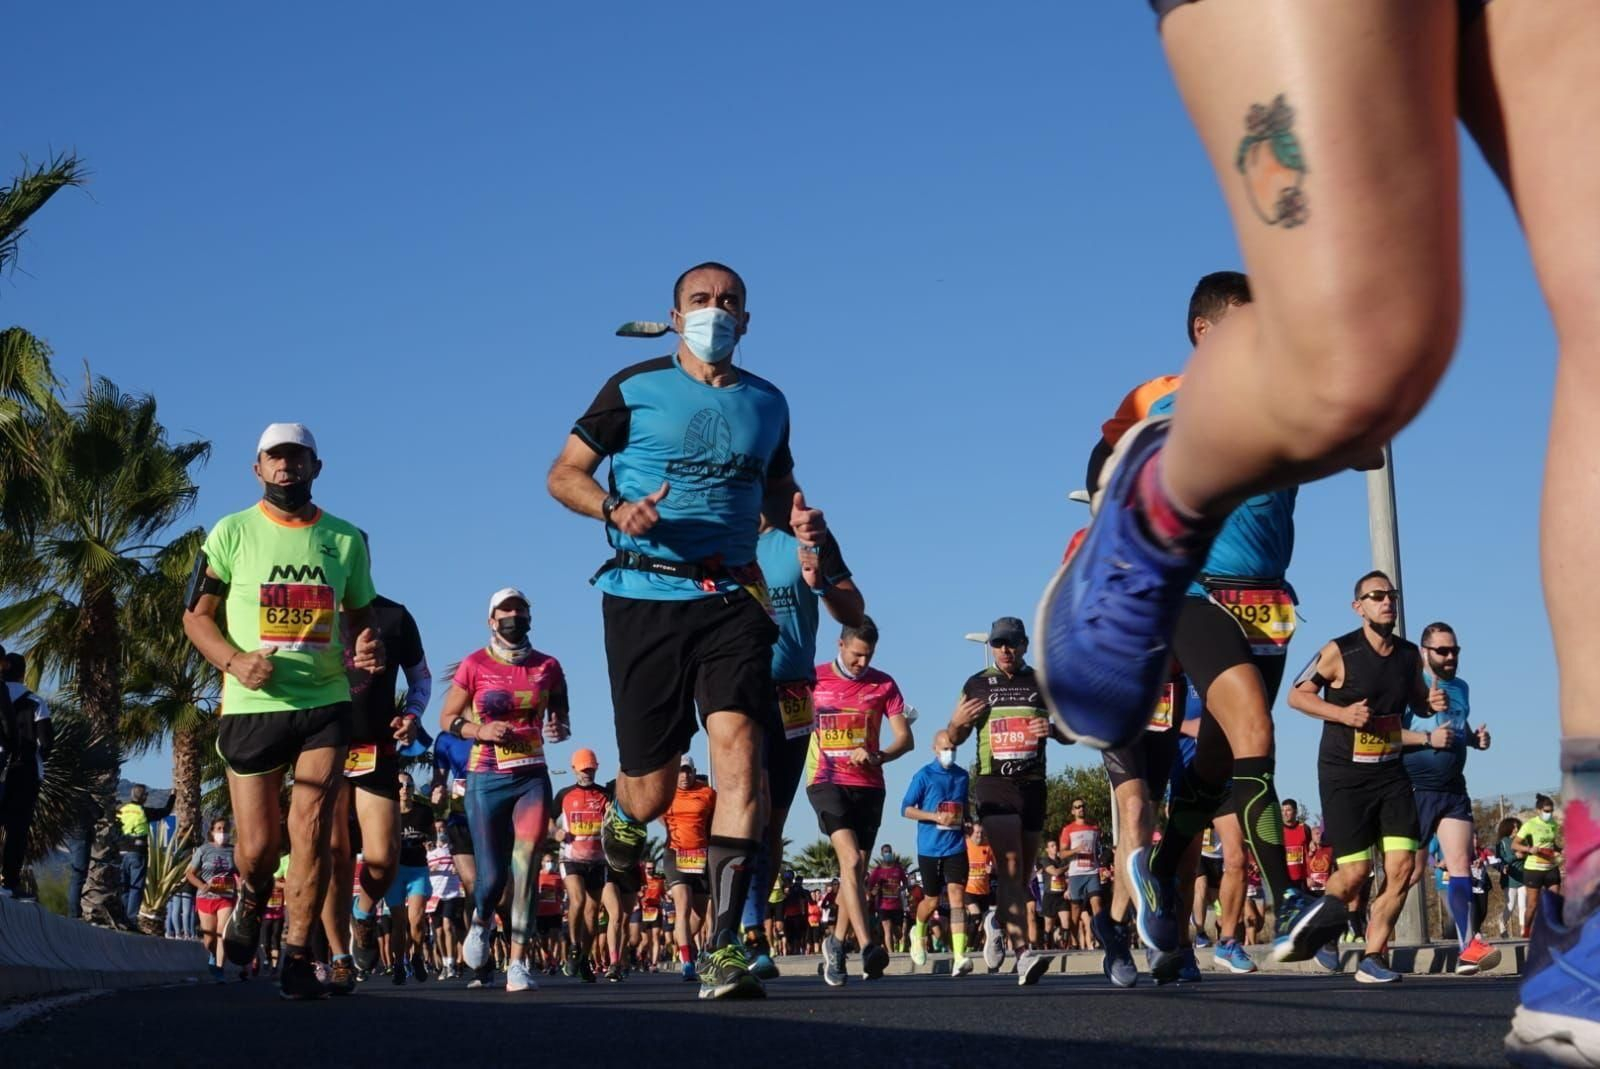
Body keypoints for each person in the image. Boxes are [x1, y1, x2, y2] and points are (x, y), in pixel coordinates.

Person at [1036, 4, 1600, 1058]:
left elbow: (1360, 459)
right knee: (1358, 354)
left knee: (1221, 764)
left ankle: (1593, 907)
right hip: (1192, 590)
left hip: (1265, 600)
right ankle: (1154, 496)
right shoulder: (1159, 388)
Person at [547, 260, 831, 1000]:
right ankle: (622, 818)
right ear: (675, 318)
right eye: (701, 300)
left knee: (740, 750)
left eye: (729, 301)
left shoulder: (768, 402)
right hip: (643, 594)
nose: (716, 310)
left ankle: (724, 944)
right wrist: (615, 509)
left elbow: (776, 485)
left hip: (731, 595)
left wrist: (799, 519)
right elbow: (564, 473)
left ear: (747, 319)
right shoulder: (634, 387)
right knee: (650, 791)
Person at [182, 422, 384, 999]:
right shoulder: (231, 532)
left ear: (316, 467)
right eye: (275, 458)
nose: (286, 466)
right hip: (253, 703)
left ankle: (297, 955)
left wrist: (366, 645)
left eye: (297, 457)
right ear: (257, 469)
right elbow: (196, 617)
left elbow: (361, 615)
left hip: (324, 700)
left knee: (312, 827)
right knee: (257, 850)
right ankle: (251, 896)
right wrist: (234, 661)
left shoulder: (346, 539)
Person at [1288, 571, 1438, 983]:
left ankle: (1374, 956)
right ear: (1359, 607)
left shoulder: (1408, 655)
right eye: (1376, 596)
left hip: (1390, 773)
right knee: (1355, 875)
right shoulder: (1339, 651)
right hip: (1344, 776)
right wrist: (1342, 713)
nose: (1386, 601)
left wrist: (1431, 703)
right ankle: (1324, 923)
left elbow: (1419, 703)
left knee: (1403, 869)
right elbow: (1296, 695)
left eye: (1391, 595)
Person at [742, 515, 865, 978]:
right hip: (740, 690)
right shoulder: (719, 533)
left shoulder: (804, 537)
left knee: (772, 822)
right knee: (751, 806)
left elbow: (854, 608)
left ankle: (749, 920)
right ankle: (747, 930)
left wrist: (820, 585)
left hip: (795, 694)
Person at [436, 587, 570, 993]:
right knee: (492, 878)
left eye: (520, 610)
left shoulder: (548, 665)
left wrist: (559, 725)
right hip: (486, 777)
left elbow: (560, 709)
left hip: (532, 776)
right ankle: (480, 920)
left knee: (526, 865)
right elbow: (447, 718)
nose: (514, 617)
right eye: (506, 611)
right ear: (492, 620)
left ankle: (517, 962)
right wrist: (480, 730)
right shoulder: (475, 664)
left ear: (530, 617)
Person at [947, 616, 1068, 987]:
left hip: (1033, 786)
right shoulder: (977, 684)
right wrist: (956, 722)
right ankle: (1023, 953)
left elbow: (1073, 730)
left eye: (1012, 643)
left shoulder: (1042, 683)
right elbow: (953, 737)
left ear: (1024, 645)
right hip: (994, 785)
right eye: (998, 644)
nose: (1005, 650)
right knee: (1011, 866)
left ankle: (996, 921)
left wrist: (1053, 729)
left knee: (1022, 875)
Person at [322, 581, 430, 991]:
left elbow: (420, 679)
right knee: (335, 854)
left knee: (383, 859)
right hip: (323, 742)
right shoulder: (314, 610)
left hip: (375, 749)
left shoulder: (395, 616)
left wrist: (412, 716)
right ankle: (339, 957)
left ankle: (363, 913)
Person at [806, 617, 914, 986]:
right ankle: (868, 946)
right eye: (856, 655)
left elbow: (905, 739)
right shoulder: (813, 679)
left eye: (868, 656)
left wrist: (879, 755)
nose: (861, 663)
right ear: (840, 645)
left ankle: (836, 943)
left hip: (869, 784)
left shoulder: (883, 684)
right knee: (850, 861)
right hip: (826, 781)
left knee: (856, 872)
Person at [1402, 622, 1499, 975]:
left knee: (1460, 864)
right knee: (1407, 872)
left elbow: (1459, 726)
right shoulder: (1410, 685)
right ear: (1424, 652)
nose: (1450, 657)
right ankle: (1366, 937)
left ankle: (1467, 948)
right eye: (1442, 651)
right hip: (1416, 788)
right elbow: (1387, 734)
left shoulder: (1461, 687)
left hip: (1454, 788)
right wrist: (1427, 739)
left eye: (1454, 650)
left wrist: (1475, 740)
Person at [901, 729, 973, 975]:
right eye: (945, 749)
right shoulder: (924, 775)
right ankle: (918, 930)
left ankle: (960, 956)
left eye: (953, 749)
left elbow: (964, 806)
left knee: (956, 897)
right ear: (934, 749)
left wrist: (968, 821)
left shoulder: (962, 776)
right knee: (931, 901)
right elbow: (906, 809)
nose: (949, 753)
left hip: (955, 845)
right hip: (930, 847)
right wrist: (933, 816)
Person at [553, 748, 610, 982]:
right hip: (571, 858)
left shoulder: (606, 795)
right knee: (577, 900)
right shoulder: (564, 794)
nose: (587, 773)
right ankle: (575, 946)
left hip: (597, 860)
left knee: (592, 912)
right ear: (574, 769)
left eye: (591, 769)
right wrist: (554, 832)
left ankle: (584, 958)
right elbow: (547, 820)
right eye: (584, 769)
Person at [1, 651, 52, 900]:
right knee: (17, 828)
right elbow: (47, 743)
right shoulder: (35, 702)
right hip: (24, 769)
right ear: (23, 674)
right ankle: (10, 881)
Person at [664, 757, 716, 981]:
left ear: (694, 772)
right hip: (675, 853)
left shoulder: (708, 793)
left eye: (688, 771)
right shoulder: (666, 794)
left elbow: (715, 820)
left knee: (700, 914)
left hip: (700, 856)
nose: (684, 776)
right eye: (680, 772)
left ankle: (685, 945)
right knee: (682, 907)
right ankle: (687, 962)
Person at [383, 772, 434, 985]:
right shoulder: (387, 811)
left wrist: (429, 842)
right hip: (395, 871)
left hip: (417, 869)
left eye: (409, 785)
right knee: (399, 921)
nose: (405, 788)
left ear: (413, 788)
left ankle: (417, 956)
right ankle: (398, 964)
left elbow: (432, 835)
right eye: (401, 785)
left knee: (417, 919)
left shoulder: (424, 812)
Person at [187, 817, 239, 979]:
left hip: (226, 897)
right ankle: (213, 954)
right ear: (212, 831)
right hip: (206, 897)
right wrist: (202, 886)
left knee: (222, 932)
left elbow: (240, 873)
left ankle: (219, 968)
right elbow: (190, 874)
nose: (222, 832)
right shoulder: (203, 850)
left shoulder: (234, 851)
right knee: (209, 939)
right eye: (219, 829)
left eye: (225, 829)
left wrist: (240, 885)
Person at [116, 784, 174, 925]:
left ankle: (122, 917)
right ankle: (131, 919)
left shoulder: (122, 810)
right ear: (144, 797)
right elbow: (165, 812)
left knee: (124, 886)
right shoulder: (143, 811)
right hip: (137, 852)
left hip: (121, 852)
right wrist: (173, 796)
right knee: (136, 887)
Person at [1514, 796, 1563, 935]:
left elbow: (1552, 844)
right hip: (1534, 869)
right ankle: (1526, 931)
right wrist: (1529, 849)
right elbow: (1515, 844)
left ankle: (1552, 932)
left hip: (1551, 868)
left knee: (1554, 902)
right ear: (1538, 810)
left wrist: (1560, 850)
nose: (1549, 814)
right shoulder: (1530, 825)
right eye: (1546, 811)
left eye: (1551, 811)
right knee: (1532, 905)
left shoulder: (1553, 824)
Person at [427, 819, 465, 978]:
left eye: (442, 828)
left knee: (448, 925)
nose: (439, 831)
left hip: (451, 893)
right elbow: (422, 872)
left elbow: (465, 867)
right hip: (434, 896)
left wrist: (459, 869)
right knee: (438, 931)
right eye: (436, 829)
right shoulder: (429, 853)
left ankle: (451, 964)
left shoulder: (454, 850)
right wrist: (430, 869)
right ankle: (444, 963)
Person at [866, 846, 909, 957]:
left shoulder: (898, 869)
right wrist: (874, 891)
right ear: (882, 854)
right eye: (885, 852)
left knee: (898, 932)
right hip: (883, 906)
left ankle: (900, 942)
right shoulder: (877, 871)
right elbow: (870, 887)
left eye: (889, 851)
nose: (887, 853)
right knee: (887, 929)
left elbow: (906, 883)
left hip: (897, 906)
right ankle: (891, 953)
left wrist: (901, 888)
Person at [1494, 818, 1527, 939]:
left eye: (1517, 826)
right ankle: (1502, 924)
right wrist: (1515, 856)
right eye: (1514, 827)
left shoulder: (1523, 840)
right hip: (1509, 879)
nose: (1516, 829)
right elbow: (1500, 861)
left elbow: (1528, 855)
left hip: (1523, 878)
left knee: (1523, 906)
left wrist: (1525, 855)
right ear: (1507, 828)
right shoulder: (1502, 843)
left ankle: (1524, 931)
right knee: (1510, 905)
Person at [535, 850, 566, 974]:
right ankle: (547, 956)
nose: (550, 863)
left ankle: (551, 961)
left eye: (552, 861)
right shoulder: (536, 877)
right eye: (547, 861)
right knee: (542, 939)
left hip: (555, 911)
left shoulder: (558, 877)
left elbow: (562, 893)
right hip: (540, 913)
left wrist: (560, 895)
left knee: (554, 936)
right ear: (542, 863)